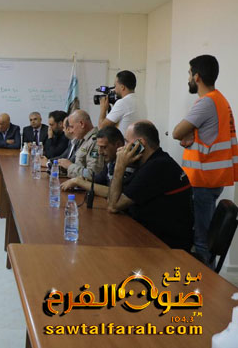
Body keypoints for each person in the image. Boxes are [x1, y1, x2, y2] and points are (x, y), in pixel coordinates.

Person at [172, 54, 238, 265]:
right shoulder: (220, 100)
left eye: (189, 74)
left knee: (202, 242)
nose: (188, 78)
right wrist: (190, 135)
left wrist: (186, 133)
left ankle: (204, 281)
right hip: (212, 178)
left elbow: (176, 132)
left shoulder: (206, 103)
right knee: (204, 238)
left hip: (203, 180)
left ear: (197, 76)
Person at [108, 121, 193, 251]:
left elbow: (114, 205)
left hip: (165, 247)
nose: (123, 148)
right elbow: (117, 194)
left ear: (140, 143)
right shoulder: (155, 160)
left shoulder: (157, 166)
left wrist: (120, 166)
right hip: (151, 236)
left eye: (127, 142)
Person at [61, 126, 126, 197]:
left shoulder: (128, 165)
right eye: (99, 147)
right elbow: (97, 179)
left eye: (104, 147)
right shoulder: (110, 162)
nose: (100, 152)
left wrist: (79, 182)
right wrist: (81, 180)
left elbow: (116, 194)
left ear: (118, 144)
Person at [98, 70, 147, 136]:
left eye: (115, 86)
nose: (114, 90)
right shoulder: (141, 102)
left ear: (122, 87)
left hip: (124, 142)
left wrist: (103, 109)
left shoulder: (122, 103)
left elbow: (101, 129)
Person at [58, 110, 104, 180]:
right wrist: (65, 168)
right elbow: (80, 166)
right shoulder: (83, 139)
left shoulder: (95, 141)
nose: (71, 131)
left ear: (82, 124)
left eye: (72, 127)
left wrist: (70, 166)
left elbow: (92, 175)